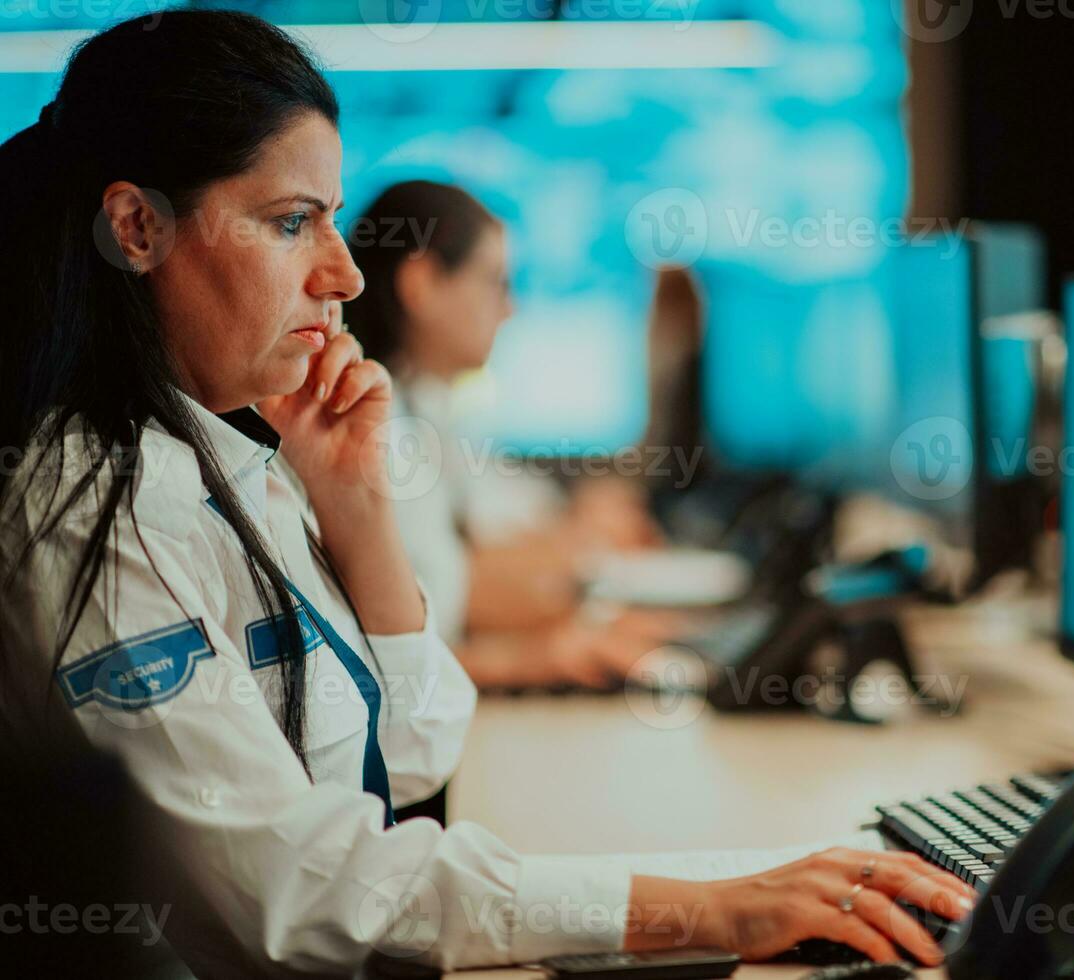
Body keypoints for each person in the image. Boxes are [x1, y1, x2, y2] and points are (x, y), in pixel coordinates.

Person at [0, 11, 973, 978]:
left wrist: (359, 512)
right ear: (136, 227)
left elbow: (416, 752)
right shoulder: (85, 511)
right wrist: (709, 906)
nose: (341, 273)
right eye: (292, 221)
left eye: (331, 221)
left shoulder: (236, 458)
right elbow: (306, 891)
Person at [346, 180, 676, 689]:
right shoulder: (375, 434)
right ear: (423, 284)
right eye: (496, 281)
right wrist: (544, 653)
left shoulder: (424, 411)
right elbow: (431, 623)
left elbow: (494, 536)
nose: (510, 308)